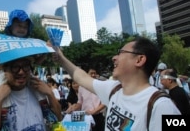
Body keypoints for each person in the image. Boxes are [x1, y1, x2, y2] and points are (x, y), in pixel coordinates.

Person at [52, 37, 180, 131]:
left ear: (139, 59)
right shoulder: (114, 89)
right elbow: (82, 78)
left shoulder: (163, 106)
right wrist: (61, 59)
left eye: (121, 52)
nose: (114, 57)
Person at [0, 56, 62, 131]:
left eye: (26, 66)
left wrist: (50, 94)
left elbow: (58, 118)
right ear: (5, 70)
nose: (21, 72)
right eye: (15, 67)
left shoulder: (39, 89)